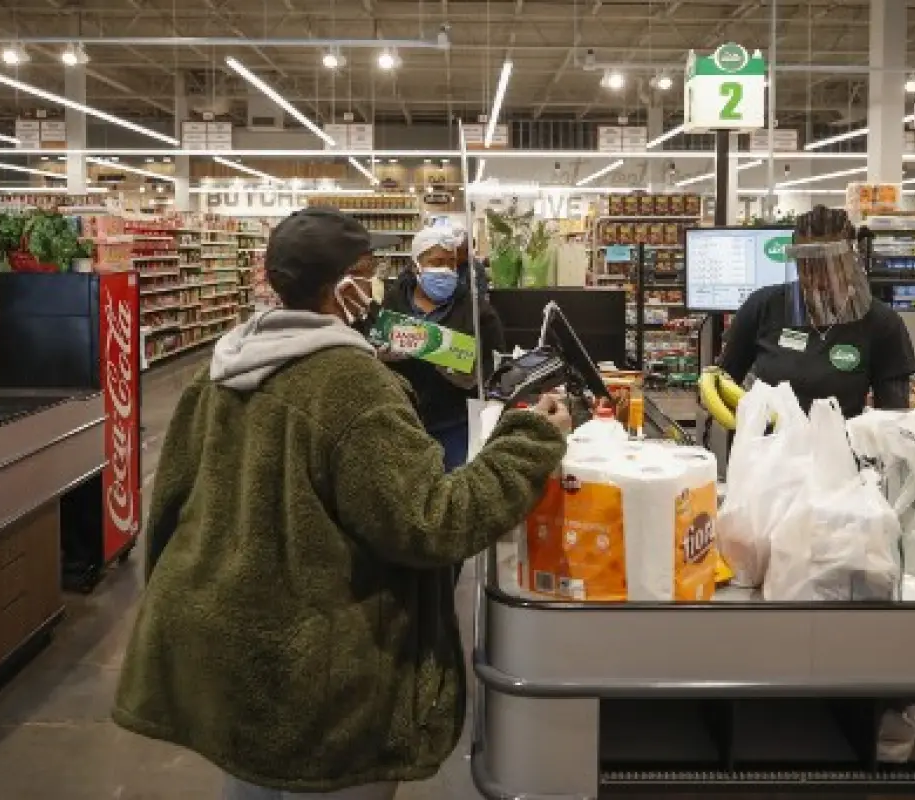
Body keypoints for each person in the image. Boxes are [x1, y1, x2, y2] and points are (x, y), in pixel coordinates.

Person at [111, 207, 571, 800]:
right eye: (367, 269)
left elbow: (170, 504)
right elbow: (433, 523)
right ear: (342, 285)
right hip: (323, 680)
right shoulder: (351, 385)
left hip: (234, 655)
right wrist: (530, 438)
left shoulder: (219, 370)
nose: (376, 282)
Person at [720, 205, 915, 417]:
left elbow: (892, 418)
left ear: (851, 259)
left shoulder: (881, 323)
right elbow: (723, 383)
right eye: (807, 266)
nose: (819, 279)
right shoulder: (763, 306)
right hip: (768, 446)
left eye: (830, 267)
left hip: (841, 447)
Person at [378, 226, 505, 472]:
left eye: (451, 263)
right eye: (436, 262)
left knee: (453, 487)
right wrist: (380, 355)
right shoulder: (392, 303)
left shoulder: (476, 310)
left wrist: (466, 367)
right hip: (403, 422)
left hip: (455, 423)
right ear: (416, 266)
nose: (445, 270)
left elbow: (497, 361)